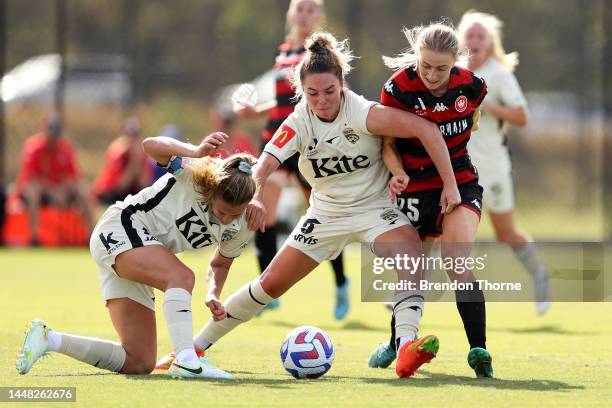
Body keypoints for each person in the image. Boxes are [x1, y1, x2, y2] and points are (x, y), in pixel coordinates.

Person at [157, 32, 462, 379]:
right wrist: (255, 194)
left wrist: (450, 185)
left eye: (330, 92)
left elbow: (427, 131)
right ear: (302, 92)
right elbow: (266, 163)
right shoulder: (299, 121)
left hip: (373, 209)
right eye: (313, 93)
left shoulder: (363, 113)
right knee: (268, 285)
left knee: (410, 254)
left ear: (342, 84)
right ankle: (194, 348)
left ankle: (407, 347)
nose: (322, 101)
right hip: (324, 215)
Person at [16, 132, 258, 380]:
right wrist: (195, 151)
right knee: (181, 276)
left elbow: (221, 264)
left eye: (235, 214)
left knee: (138, 360)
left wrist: (212, 294)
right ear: (212, 191)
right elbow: (150, 146)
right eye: (221, 211)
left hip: (142, 252)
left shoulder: (245, 224)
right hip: (120, 227)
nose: (227, 219)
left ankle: (49, 339)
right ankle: (186, 360)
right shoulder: (196, 175)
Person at [367, 21, 494, 378]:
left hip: (461, 184)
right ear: (416, 58)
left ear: (456, 62)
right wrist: (397, 172)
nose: (432, 74)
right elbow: (387, 144)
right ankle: (398, 343)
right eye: (426, 66)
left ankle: (479, 350)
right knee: (411, 271)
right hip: (414, 190)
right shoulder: (397, 88)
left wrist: (451, 183)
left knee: (456, 261)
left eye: (441, 68)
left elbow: (472, 126)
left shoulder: (473, 86)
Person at [235, 0, 351, 320]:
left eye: (311, 10)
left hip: (309, 141)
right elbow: (282, 98)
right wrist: (254, 111)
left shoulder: (323, 55)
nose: (304, 15)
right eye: (299, 9)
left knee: (321, 215)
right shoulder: (283, 50)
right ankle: (266, 293)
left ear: (320, 16)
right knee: (261, 211)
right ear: (291, 14)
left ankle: (341, 282)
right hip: (277, 137)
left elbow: (339, 92)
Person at [458, 10, 550, 314]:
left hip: (494, 167)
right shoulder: (452, 71)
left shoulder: (499, 74)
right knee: (443, 230)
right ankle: (409, 293)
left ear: (490, 42)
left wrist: (483, 101)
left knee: (506, 234)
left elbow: (522, 117)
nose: (474, 41)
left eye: (480, 36)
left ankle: (539, 273)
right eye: (469, 35)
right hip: (458, 167)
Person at [15, 113, 94, 245]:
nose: (54, 135)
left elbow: (73, 176)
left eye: (56, 130)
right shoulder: (33, 147)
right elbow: (30, 178)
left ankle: (91, 237)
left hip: (60, 191)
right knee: (34, 191)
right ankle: (34, 238)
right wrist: (52, 190)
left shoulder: (65, 148)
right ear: (44, 129)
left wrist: (62, 189)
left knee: (83, 190)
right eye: (51, 130)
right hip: (39, 191)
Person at [92, 117, 152, 205]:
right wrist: (134, 163)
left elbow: (145, 184)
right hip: (108, 193)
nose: (133, 139)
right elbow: (120, 187)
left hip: (128, 193)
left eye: (136, 134)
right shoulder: (118, 150)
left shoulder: (142, 152)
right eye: (130, 134)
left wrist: (138, 161)